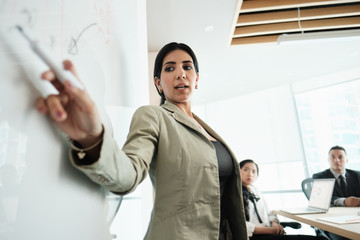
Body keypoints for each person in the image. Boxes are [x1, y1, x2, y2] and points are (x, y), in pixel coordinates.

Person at [35, 42, 247, 240]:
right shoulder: (154, 116)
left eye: (187, 67)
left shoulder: (208, 130)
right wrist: (90, 137)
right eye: (170, 69)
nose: (181, 73)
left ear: (197, 79)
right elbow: (128, 175)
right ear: (158, 83)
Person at [240, 159, 326, 240]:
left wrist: (275, 223)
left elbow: (269, 213)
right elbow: (240, 226)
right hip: (254, 237)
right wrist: (271, 230)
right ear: (238, 171)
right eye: (246, 170)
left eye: (254, 171)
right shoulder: (235, 195)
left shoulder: (256, 191)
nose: (250, 174)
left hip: (270, 233)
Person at [312, 145, 360, 240]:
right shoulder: (319, 177)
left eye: (340, 157)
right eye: (333, 157)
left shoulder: (357, 175)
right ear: (328, 160)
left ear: (347, 160)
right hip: (332, 221)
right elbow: (320, 200)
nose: (337, 160)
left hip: (355, 219)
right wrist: (344, 201)